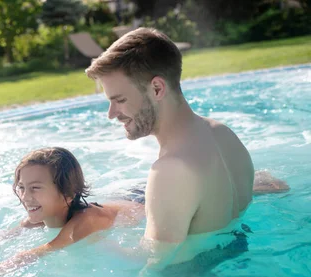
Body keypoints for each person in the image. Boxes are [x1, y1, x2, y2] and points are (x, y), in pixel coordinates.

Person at [85, 28, 288, 264]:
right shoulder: (225, 135)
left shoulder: (170, 171)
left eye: (119, 100)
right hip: (234, 261)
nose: (111, 114)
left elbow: (154, 266)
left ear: (157, 89)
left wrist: (93, 241)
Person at [0, 147, 144, 276]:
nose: (25, 197)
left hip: (142, 199)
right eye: (21, 187)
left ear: (68, 193)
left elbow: (31, 254)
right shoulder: (39, 218)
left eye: (35, 188)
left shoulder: (85, 222)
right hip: (122, 196)